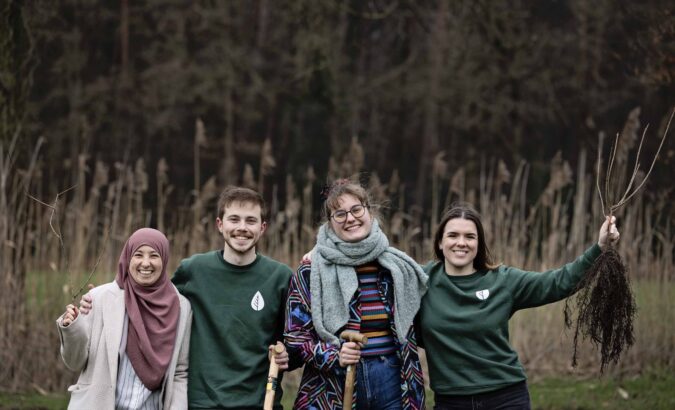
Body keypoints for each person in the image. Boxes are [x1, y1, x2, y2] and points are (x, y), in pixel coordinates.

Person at [418, 204, 620, 410]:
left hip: (505, 397)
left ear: (478, 244)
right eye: (453, 235)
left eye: (470, 236)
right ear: (440, 243)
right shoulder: (419, 282)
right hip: (450, 402)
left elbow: (557, 282)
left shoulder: (502, 281)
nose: (461, 243)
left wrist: (600, 248)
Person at [285, 179, 429, 410]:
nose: (350, 218)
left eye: (356, 209)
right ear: (330, 223)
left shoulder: (397, 267)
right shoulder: (311, 271)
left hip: (394, 382)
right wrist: (333, 355)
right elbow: (295, 338)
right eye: (339, 214)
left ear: (369, 211)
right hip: (331, 385)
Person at [171, 186, 294, 409]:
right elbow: (152, 306)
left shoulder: (281, 277)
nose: (242, 228)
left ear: (262, 227)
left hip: (259, 403)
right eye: (234, 219)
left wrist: (288, 355)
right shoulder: (193, 270)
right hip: (201, 403)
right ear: (220, 224)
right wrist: (99, 300)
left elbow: (297, 341)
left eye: (250, 221)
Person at [57, 228, 192, 410]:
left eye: (154, 255)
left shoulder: (181, 307)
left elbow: (180, 372)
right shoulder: (98, 298)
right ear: (128, 257)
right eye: (138, 255)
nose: (146, 263)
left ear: (164, 259)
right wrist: (71, 327)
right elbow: (74, 362)